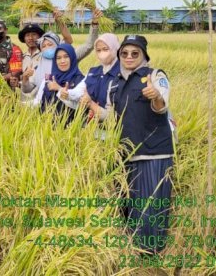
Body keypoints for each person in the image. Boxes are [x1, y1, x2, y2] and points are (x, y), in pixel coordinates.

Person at [94, 34, 174, 254]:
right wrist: (91, 106)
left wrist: (155, 95)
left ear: (144, 55)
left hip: (153, 154)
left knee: (151, 205)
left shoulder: (155, 76)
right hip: (126, 154)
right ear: (119, 55)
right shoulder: (115, 83)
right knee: (131, 204)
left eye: (135, 53)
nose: (129, 57)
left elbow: (161, 107)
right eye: (125, 53)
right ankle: (135, 249)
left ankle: (152, 253)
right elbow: (111, 117)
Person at [20, 9, 102, 102]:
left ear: (57, 45)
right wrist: (25, 79)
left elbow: (89, 45)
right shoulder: (37, 66)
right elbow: (29, 89)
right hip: (45, 107)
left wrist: (94, 24)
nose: (47, 48)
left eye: (50, 44)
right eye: (44, 46)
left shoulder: (68, 56)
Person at [34, 43, 86, 125]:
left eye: (66, 57)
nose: (62, 61)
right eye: (58, 58)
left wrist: (59, 89)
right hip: (44, 128)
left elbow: (81, 106)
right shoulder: (48, 78)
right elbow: (38, 101)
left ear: (72, 58)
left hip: (69, 131)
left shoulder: (81, 80)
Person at [79, 33, 121, 126]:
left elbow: (116, 116)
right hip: (90, 127)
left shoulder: (123, 74)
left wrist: (91, 104)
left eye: (105, 49)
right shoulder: (93, 71)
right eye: (98, 50)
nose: (102, 53)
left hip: (112, 130)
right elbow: (81, 94)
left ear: (115, 49)